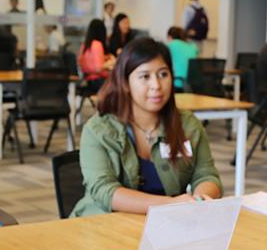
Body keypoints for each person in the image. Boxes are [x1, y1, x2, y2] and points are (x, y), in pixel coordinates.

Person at [72, 37, 222, 217]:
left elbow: (207, 175)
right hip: (105, 227)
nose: (156, 85)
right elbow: (105, 191)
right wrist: (171, 205)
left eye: (163, 74)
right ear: (126, 82)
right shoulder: (99, 130)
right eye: (145, 76)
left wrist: (199, 200)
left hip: (169, 226)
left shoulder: (188, 125)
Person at [78, 19, 115, 86]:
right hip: (98, 81)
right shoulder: (97, 44)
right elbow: (98, 68)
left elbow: (82, 63)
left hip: (87, 80)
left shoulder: (84, 45)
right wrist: (113, 62)